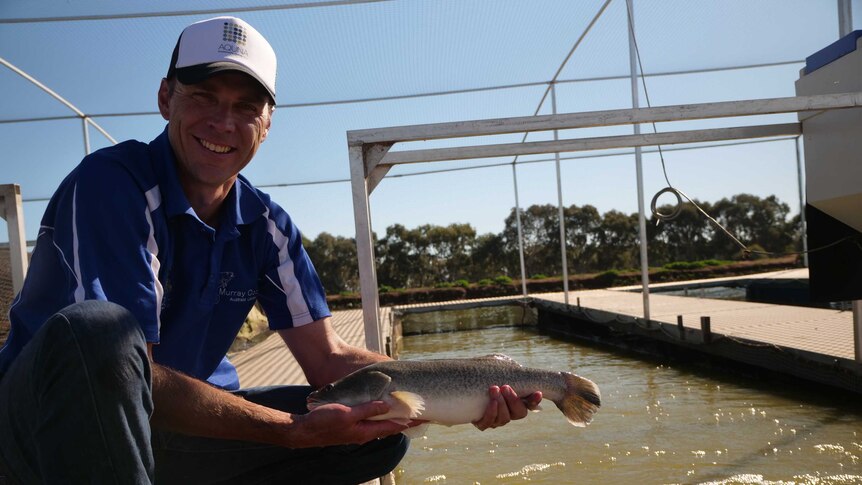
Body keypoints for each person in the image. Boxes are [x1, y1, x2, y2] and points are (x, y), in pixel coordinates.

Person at [0, 16, 541, 485]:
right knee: (98, 331)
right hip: (46, 435)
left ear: (268, 123)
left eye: (246, 106)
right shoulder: (112, 184)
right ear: (166, 98)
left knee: (374, 436)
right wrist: (293, 431)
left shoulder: (266, 223)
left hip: (169, 429)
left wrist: (466, 392)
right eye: (203, 97)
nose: (223, 123)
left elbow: (328, 359)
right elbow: (122, 368)